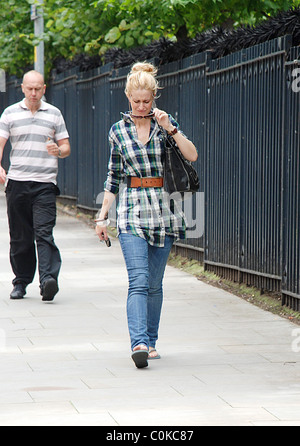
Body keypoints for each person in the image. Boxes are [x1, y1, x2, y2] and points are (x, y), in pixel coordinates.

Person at [96, 62, 198, 368]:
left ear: (153, 98)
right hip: (130, 212)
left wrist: (171, 128)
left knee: (155, 284)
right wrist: (102, 217)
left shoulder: (165, 125)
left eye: (147, 101)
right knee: (138, 280)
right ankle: (138, 342)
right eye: (136, 101)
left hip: (163, 210)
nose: (142, 106)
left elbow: (191, 155)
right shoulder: (118, 131)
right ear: (128, 96)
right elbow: (113, 178)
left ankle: (151, 342)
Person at [0, 70, 71, 302]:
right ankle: (20, 282)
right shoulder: (10, 114)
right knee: (20, 237)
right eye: (29, 88)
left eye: (37, 88)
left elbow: (66, 147)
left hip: (44, 184)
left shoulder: (54, 114)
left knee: (43, 233)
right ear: (22, 88)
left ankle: (48, 280)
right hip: (17, 182)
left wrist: (58, 151)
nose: (33, 92)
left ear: (44, 89)